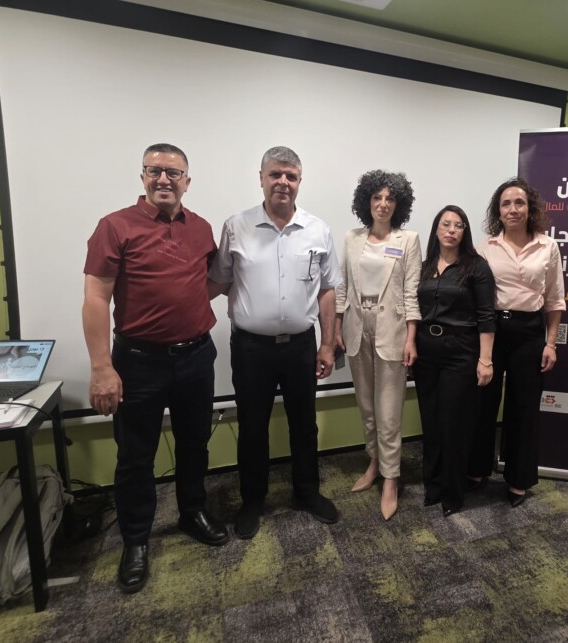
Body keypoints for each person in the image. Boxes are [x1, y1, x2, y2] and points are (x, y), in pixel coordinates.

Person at [82, 143, 228, 595]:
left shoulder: (201, 228)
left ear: (187, 181)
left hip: (196, 357)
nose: (164, 179)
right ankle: (136, 540)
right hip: (138, 363)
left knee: (195, 443)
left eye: (173, 172)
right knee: (135, 456)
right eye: (155, 170)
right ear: (143, 176)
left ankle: (192, 512)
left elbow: (207, 282)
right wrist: (101, 367)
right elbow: (95, 298)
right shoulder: (115, 226)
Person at [208, 146, 342, 540]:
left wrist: (327, 344)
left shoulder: (318, 230)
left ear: (299, 181)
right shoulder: (237, 227)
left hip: (301, 346)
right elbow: (218, 281)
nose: (283, 182)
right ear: (262, 178)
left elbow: (328, 290)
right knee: (252, 426)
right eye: (275, 174)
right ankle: (252, 501)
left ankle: (306, 492)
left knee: (304, 424)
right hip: (252, 349)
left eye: (291, 176)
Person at [467, 177, 565, 507]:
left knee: (524, 408)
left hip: (530, 333)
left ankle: (518, 479)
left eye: (519, 202)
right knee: (483, 403)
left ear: (530, 207)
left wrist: (551, 343)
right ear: (498, 211)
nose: (513, 209)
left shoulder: (548, 246)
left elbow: (555, 300)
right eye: (506, 204)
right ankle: (477, 469)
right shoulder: (485, 248)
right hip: (491, 331)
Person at [334, 170, 421, 521]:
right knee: (367, 406)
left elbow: (411, 292)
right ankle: (374, 462)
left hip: (392, 331)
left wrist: (412, 338)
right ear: (366, 201)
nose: (383, 204)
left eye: (390, 198)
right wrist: (337, 328)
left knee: (388, 411)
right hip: (357, 327)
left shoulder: (408, 240)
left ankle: (391, 477)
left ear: (399, 205)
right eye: (376, 197)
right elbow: (342, 287)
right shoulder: (352, 238)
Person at [413, 205, 495, 517]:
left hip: (460, 351)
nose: (451, 230)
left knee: (453, 423)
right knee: (430, 421)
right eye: (445, 224)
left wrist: (485, 360)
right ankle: (433, 485)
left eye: (458, 225)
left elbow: (486, 316)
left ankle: (452, 492)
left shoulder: (476, 267)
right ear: (436, 229)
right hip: (426, 351)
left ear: (465, 232)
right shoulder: (423, 267)